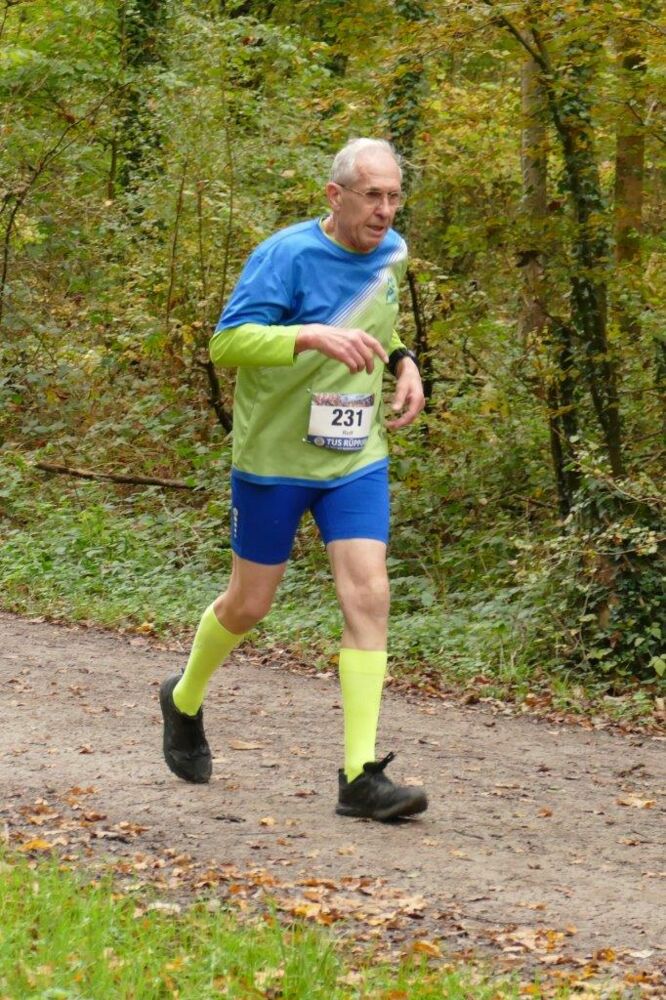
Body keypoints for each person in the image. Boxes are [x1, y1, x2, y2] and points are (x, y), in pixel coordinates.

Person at [160, 137, 428, 822]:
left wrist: (403, 362)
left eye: (394, 197)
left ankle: (359, 775)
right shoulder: (285, 256)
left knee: (369, 594)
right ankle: (183, 698)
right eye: (373, 196)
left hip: (353, 458)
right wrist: (306, 335)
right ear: (335, 196)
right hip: (275, 461)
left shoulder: (391, 255)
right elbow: (227, 342)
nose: (385, 210)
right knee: (249, 605)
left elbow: (382, 325)